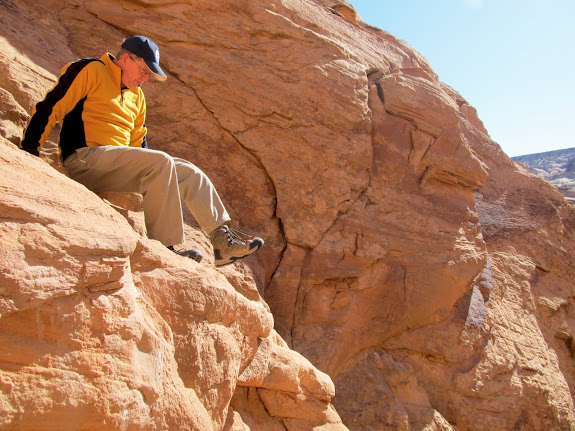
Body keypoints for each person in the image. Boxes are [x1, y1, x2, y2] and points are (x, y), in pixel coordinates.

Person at [20, 35, 263, 266]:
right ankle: (164, 248)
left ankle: (222, 243)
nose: (145, 79)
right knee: (160, 162)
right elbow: (50, 106)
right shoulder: (90, 70)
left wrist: (154, 181)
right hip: (84, 159)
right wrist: (29, 150)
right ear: (126, 59)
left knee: (188, 172)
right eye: (145, 71)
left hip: (116, 167)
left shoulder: (138, 97)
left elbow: (139, 146)